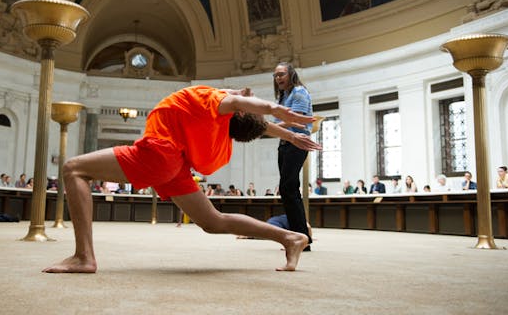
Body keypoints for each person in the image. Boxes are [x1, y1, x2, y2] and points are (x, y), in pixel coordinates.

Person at [43, 85, 321, 273]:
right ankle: (290, 237)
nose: (246, 93)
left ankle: (83, 257)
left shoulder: (218, 104)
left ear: (238, 112)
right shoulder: (219, 120)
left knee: (73, 168)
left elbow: (241, 105)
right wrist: (289, 135)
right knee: (214, 221)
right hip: (174, 165)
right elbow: (257, 123)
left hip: (158, 154)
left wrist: (274, 109)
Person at [273, 62, 314, 250]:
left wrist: (267, 128)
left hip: (297, 143)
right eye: (276, 75)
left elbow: (296, 121)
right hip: (284, 144)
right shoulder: (283, 96)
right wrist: (273, 127)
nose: (278, 78)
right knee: (288, 189)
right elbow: (281, 122)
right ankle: (300, 237)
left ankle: (301, 239)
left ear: (291, 75)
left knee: (288, 188)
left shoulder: (299, 92)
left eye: (281, 74)